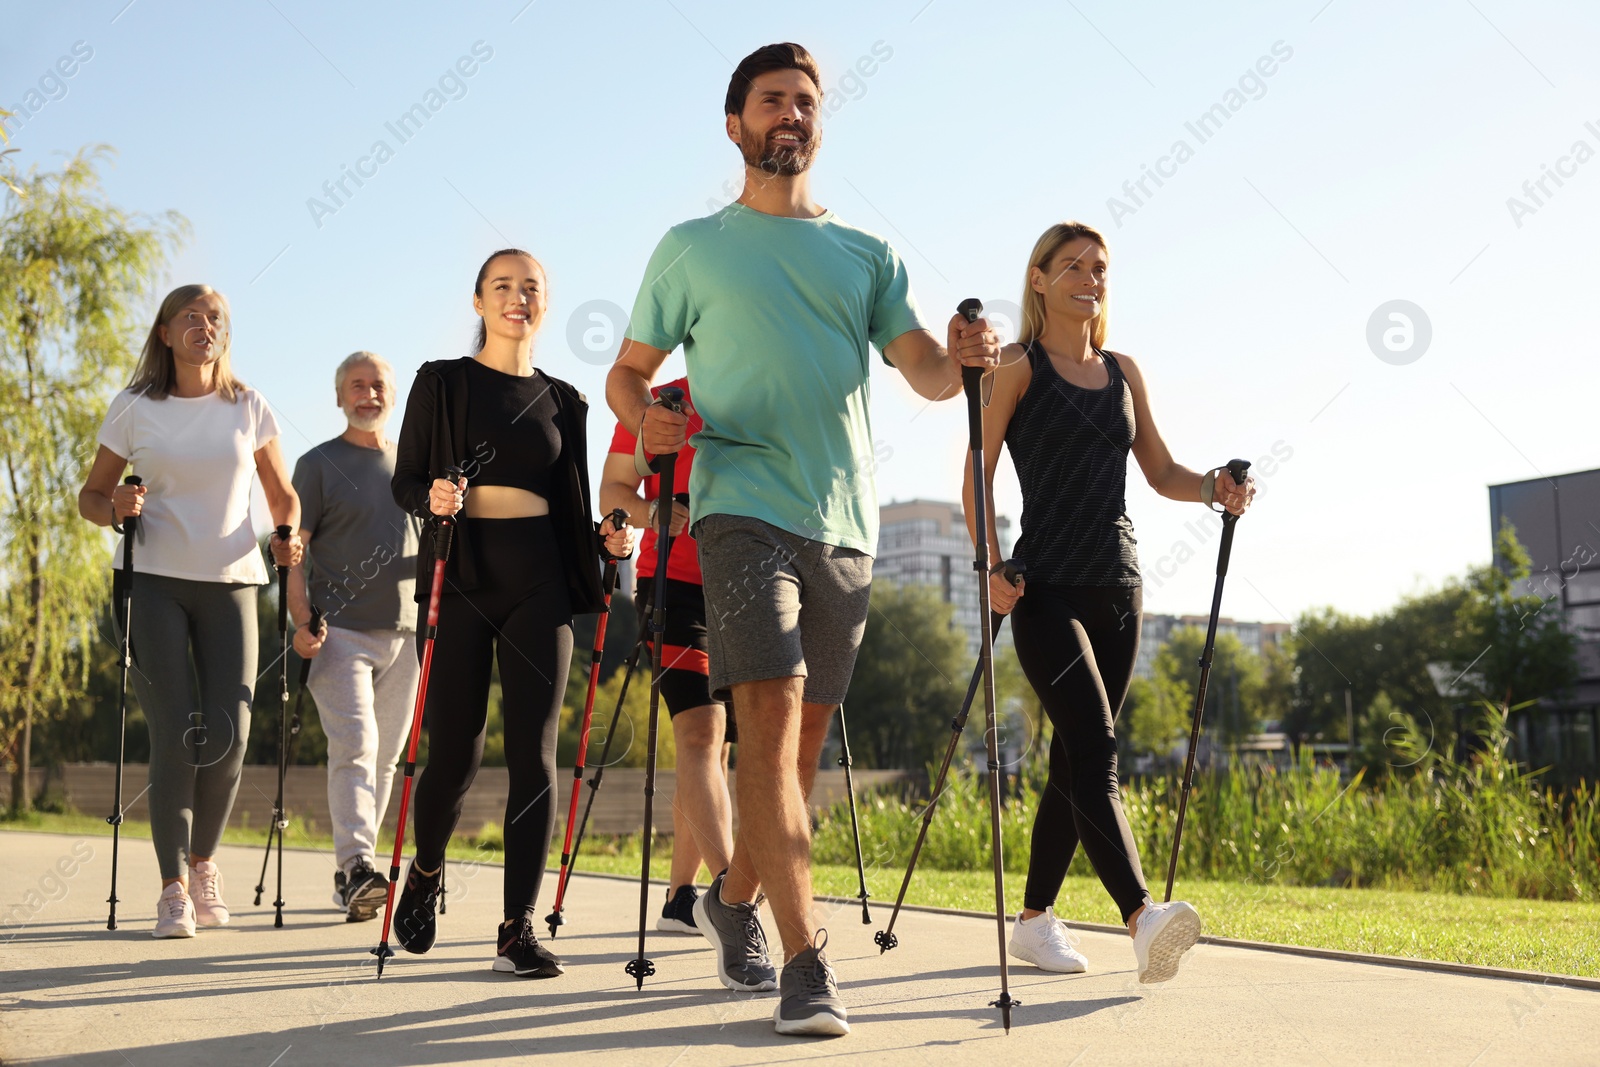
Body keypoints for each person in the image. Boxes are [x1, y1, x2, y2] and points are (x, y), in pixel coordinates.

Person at [606, 43, 998, 1036]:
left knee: (797, 755)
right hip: (736, 507)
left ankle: (732, 897)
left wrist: (961, 359)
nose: (790, 113)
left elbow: (925, 373)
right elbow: (629, 369)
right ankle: (807, 959)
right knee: (768, 731)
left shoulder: (868, 253)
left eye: (806, 102)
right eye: (771, 100)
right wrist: (647, 413)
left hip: (846, 526)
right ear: (734, 124)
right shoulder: (692, 246)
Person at [964, 220, 1256, 984]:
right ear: (1039, 280)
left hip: (1119, 589)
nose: (1090, 277)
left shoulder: (1124, 370)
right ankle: (1142, 915)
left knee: (1073, 757)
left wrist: (1211, 489)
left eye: (1099, 266)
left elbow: (1159, 469)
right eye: (1072, 266)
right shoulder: (1019, 366)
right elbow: (978, 469)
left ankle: (1032, 923)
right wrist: (989, 562)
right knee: (1096, 747)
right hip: (1044, 589)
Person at [389, 248, 636, 978]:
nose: (516, 297)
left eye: (530, 287)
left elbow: (574, 507)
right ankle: (427, 872)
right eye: (503, 286)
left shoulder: (565, 400)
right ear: (478, 302)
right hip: (463, 575)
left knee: (534, 753)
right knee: (455, 752)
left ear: (545, 304)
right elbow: (406, 479)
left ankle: (515, 928)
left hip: (540, 583)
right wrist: (430, 496)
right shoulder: (442, 382)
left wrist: (607, 538)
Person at [79, 283, 302, 939]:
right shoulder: (134, 408)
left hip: (232, 580)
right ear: (166, 333)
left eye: (216, 318)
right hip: (152, 581)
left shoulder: (248, 405)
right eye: (191, 316)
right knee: (175, 728)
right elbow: (92, 497)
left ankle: (205, 864)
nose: (206, 325)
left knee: (229, 731)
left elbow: (281, 493)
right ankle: (173, 886)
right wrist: (114, 504)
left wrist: (288, 531)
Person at [287, 351, 421, 922]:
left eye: (378, 385)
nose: (369, 394)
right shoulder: (317, 464)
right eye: (357, 386)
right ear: (340, 397)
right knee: (356, 746)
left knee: (385, 758)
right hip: (338, 631)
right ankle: (360, 863)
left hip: (409, 636)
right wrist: (299, 622)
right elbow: (294, 553)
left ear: (393, 395)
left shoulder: (415, 468)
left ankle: (351, 877)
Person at [600, 375, 734, 934]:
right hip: (672, 588)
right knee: (700, 735)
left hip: (749, 588)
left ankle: (682, 897)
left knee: (717, 750)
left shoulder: (767, 387)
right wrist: (656, 513)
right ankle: (733, 894)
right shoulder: (658, 403)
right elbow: (612, 492)